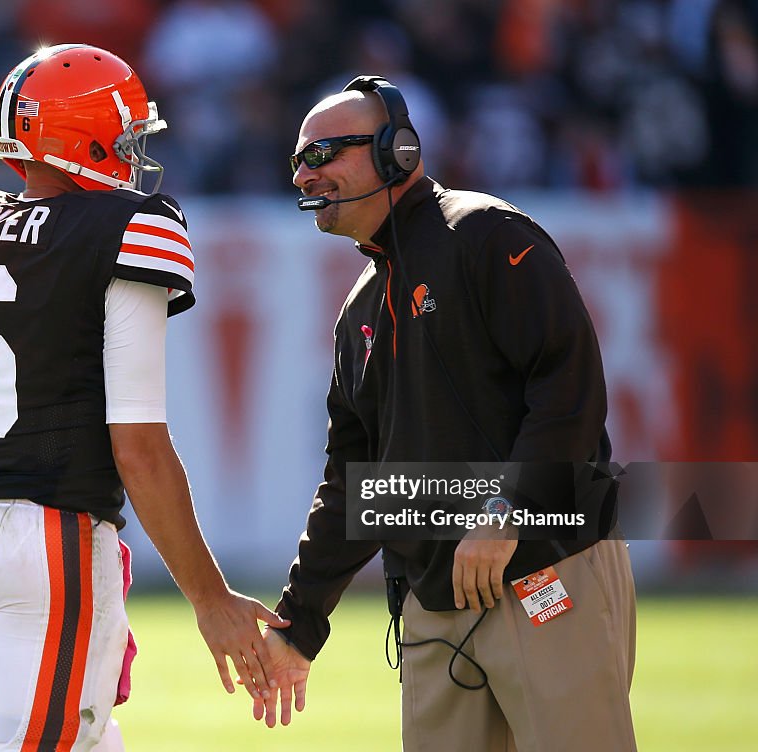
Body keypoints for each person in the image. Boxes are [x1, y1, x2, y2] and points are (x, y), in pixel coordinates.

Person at [0, 44, 287, 752]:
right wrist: (212, 600)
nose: (133, 152)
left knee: (92, 740)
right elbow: (139, 449)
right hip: (53, 546)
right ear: (78, 136)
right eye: (122, 137)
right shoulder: (125, 229)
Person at [253, 76, 637, 751]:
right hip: (433, 602)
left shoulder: (487, 235)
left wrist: (506, 511)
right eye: (297, 161)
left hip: (541, 570)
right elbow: (353, 480)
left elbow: (568, 387)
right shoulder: (358, 308)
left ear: (397, 150)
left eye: (323, 155)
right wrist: (300, 622)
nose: (305, 174)